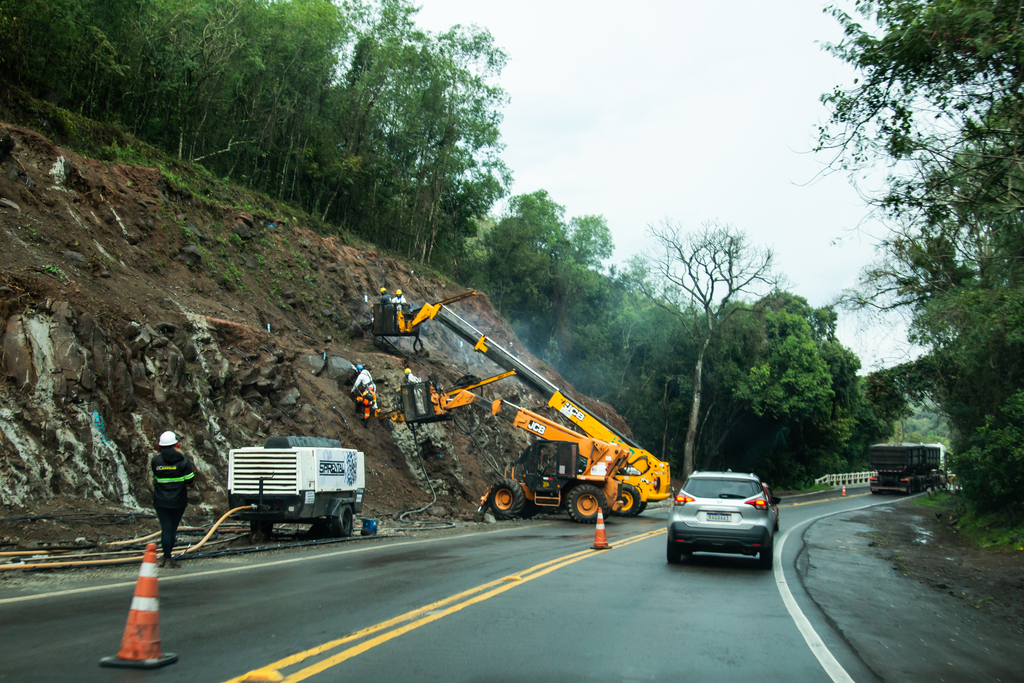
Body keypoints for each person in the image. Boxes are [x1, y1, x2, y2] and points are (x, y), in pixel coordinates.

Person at [150, 431, 194, 568]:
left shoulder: (155, 461)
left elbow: (155, 475)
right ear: (177, 445)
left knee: (166, 528)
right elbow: (190, 479)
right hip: (178, 501)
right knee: (172, 529)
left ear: (160, 446)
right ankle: (168, 559)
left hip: (160, 501)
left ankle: (165, 557)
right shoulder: (183, 461)